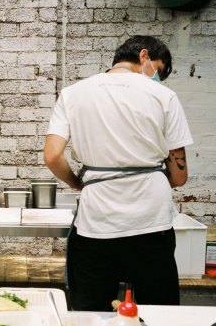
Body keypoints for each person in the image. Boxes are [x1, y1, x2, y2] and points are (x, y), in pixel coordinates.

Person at [43, 36, 193, 311]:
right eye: (159, 70)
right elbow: (180, 177)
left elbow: (52, 156)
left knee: (91, 314)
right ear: (144, 56)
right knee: (159, 313)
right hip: (152, 225)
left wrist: (79, 182)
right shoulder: (164, 97)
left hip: (97, 223)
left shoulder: (73, 93)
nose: (158, 79)